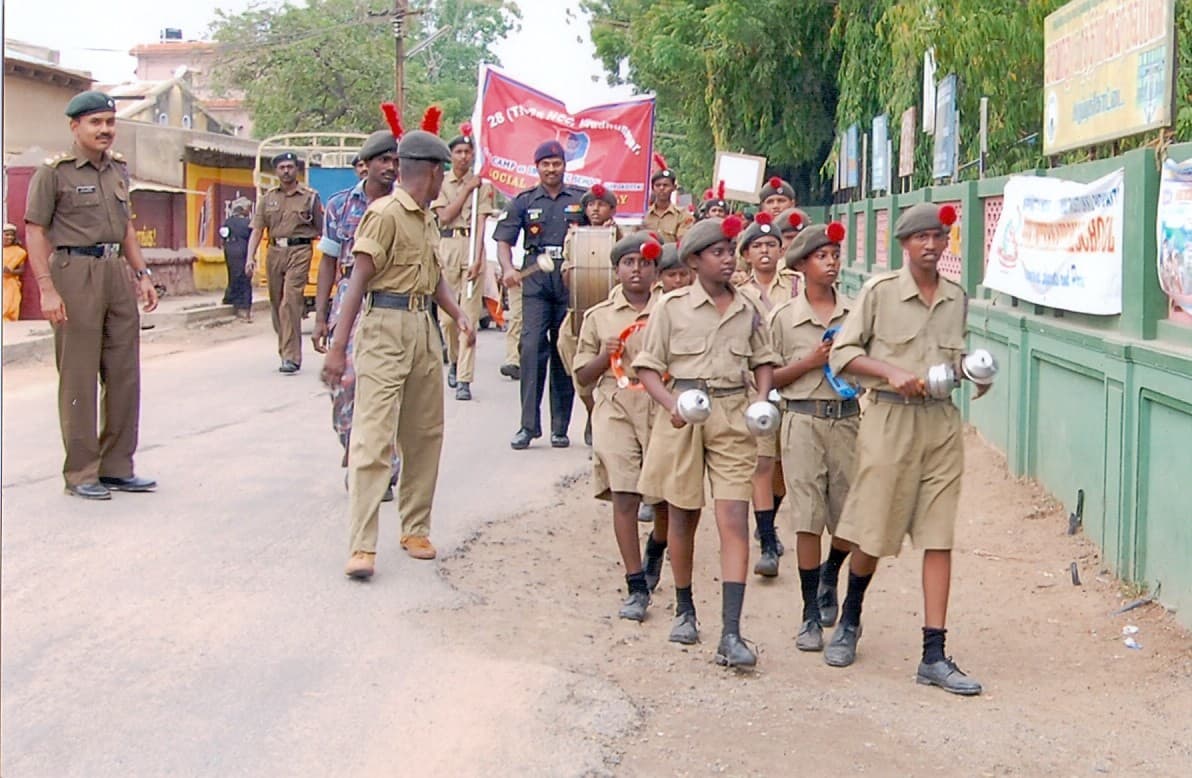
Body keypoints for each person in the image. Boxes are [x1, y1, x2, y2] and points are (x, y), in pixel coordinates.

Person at [826, 203, 987, 695]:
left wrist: (976, 376)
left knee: (939, 537)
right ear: (904, 244)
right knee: (873, 533)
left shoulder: (957, 296)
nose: (931, 246)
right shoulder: (880, 293)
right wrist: (891, 371)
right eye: (921, 238)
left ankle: (933, 654)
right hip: (889, 420)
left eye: (939, 237)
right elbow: (842, 355)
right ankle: (849, 619)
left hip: (939, 424)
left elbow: (954, 359)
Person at [321, 109, 473, 578]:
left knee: (425, 434)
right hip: (384, 327)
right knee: (372, 438)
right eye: (443, 169)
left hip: (423, 328)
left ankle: (415, 527)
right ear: (431, 172)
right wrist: (336, 346)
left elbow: (434, 276)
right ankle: (362, 545)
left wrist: (458, 313)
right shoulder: (384, 214)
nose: (444, 176)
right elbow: (358, 280)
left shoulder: (426, 218)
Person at [634, 216, 779, 668]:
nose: (728, 257)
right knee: (682, 516)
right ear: (694, 260)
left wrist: (760, 400)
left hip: (734, 417)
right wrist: (671, 405)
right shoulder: (671, 307)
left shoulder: (748, 306)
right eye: (717, 251)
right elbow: (647, 368)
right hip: (685, 418)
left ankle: (731, 632)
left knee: (734, 517)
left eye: (730, 249)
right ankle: (684, 608)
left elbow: (764, 360)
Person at [23, 90, 160, 500]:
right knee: (80, 375)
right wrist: (46, 288)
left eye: (110, 123)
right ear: (75, 127)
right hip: (73, 272)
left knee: (123, 373)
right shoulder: (54, 172)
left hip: (115, 271)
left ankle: (118, 465)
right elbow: (35, 231)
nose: (105, 130)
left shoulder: (117, 169)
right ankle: (82, 472)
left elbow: (127, 229)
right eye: (95, 123)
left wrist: (143, 274)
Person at [769, 222, 858, 652]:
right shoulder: (783, 319)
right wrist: (810, 361)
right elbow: (769, 378)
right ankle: (808, 614)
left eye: (835, 256)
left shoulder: (856, 313)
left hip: (847, 421)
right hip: (801, 420)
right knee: (807, 518)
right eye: (822, 257)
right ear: (802, 265)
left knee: (848, 520)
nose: (831, 263)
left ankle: (831, 573)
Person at [573, 232, 669, 620]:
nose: (637, 270)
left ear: (656, 270)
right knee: (625, 495)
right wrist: (603, 355)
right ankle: (634, 584)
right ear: (616, 270)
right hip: (615, 403)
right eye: (629, 263)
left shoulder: (669, 309)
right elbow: (582, 375)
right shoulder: (598, 316)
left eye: (645, 263)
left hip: (660, 403)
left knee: (665, 497)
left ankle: (657, 549)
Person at [313, 129, 401, 502]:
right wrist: (320, 318)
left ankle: (379, 465)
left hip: (389, 296)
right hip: (349, 296)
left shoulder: (404, 205)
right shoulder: (338, 206)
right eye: (384, 160)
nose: (391, 168)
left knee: (384, 386)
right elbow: (329, 262)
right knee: (344, 382)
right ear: (365, 166)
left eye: (396, 161)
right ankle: (353, 446)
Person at [494, 140, 586, 450]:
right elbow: (504, 241)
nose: (551, 169)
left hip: (570, 279)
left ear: (564, 165)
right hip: (534, 281)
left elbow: (598, 230)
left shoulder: (580, 200)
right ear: (537, 167)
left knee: (564, 352)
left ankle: (560, 428)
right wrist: (507, 269)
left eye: (556, 163)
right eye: (545, 164)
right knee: (531, 349)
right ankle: (528, 426)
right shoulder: (523, 201)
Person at [734, 212, 794, 577]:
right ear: (746, 253)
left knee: (784, 468)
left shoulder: (798, 285)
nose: (766, 251)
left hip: (796, 382)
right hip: (757, 387)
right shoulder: (738, 294)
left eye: (771, 244)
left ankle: (767, 514)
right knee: (762, 461)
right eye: (757, 246)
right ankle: (768, 542)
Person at [432, 123, 496, 402]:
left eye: (468, 152)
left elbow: (482, 222)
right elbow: (444, 216)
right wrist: (466, 189)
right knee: (447, 319)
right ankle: (455, 360)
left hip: (470, 247)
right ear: (450, 155)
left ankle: (464, 378)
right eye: (458, 151)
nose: (463, 156)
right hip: (446, 246)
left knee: (468, 315)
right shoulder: (441, 183)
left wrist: (479, 258)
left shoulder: (482, 186)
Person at [247, 151, 323, 374]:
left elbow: (321, 229)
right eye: (282, 167)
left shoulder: (310, 197)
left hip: (300, 250)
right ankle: (285, 349)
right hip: (274, 251)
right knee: (277, 302)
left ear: (296, 169)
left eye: (290, 166)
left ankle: (291, 356)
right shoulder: (268, 198)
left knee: (290, 301)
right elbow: (257, 230)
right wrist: (249, 257)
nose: (286, 171)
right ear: (276, 171)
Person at [559, 182, 621, 446]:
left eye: (601, 204)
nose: (595, 209)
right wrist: (568, 275)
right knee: (568, 350)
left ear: (611, 209)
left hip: (610, 311)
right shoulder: (574, 235)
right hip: (580, 310)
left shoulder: (622, 237)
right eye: (591, 205)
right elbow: (566, 270)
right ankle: (590, 410)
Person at [643, 155, 693, 243]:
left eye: (666, 185)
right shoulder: (644, 215)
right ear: (652, 188)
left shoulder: (683, 215)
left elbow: (683, 242)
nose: (661, 188)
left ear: (673, 188)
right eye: (658, 185)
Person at [219, 198, 254, 321]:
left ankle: (230, 299)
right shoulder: (249, 223)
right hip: (244, 253)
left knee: (232, 275)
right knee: (245, 279)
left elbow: (223, 234)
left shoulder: (228, 222)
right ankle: (244, 308)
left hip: (230, 252)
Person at [3, 224, 29, 321]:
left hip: (10, 284)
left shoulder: (19, 252)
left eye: (12, 235)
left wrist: (11, 271)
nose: (9, 237)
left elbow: (21, 270)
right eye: (6, 234)